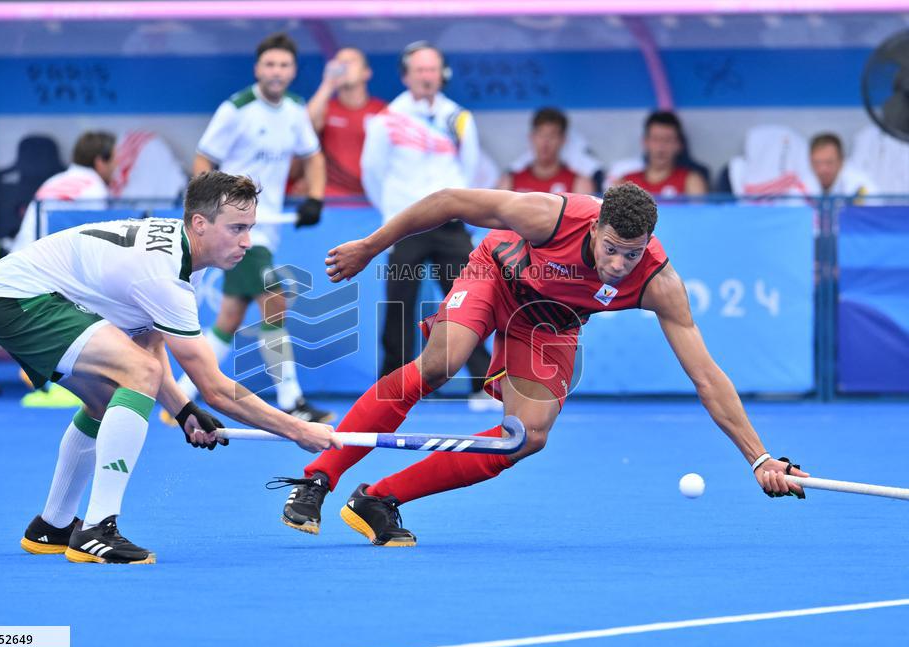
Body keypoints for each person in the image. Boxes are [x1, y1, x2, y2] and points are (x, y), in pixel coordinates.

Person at [269, 183, 810, 546]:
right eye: (614, 248)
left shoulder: (657, 282)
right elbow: (449, 200)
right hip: (495, 275)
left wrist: (758, 457)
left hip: (550, 321)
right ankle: (319, 477)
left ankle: (381, 500)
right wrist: (370, 245)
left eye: (634, 252)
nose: (621, 265)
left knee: (525, 436)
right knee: (443, 363)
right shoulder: (550, 217)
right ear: (597, 228)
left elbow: (706, 376)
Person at [0, 172, 341, 564]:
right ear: (200, 224)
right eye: (236, 228)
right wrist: (297, 430)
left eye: (250, 228)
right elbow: (215, 389)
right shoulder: (163, 273)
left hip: (18, 294)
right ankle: (97, 530)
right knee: (139, 376)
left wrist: (184, 410)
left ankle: (52, 526)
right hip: (21, 299)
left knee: (104, 400)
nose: (247, 242)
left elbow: (147, 342)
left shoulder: (187, 254)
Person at [172, 32, 335, 424]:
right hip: (238, 230)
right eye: (270, 64)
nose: (277, 72)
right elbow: (203, 160)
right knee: (274, 299)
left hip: (267, 226)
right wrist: (209, 216)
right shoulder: (236, 109)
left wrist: (315, 196)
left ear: (293, 71)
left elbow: (312, 157)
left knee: (229, 317)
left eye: (284, 65)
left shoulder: (296, 110)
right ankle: (292, 400)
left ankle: (178, 396)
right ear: (258, 69)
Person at [360, 40, 494, 411]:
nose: (426, 77)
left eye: (432, 69)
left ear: (442, 74)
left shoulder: (460, 116)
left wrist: (452, 208)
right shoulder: (387, 119)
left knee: (470, 303)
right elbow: (371, 172)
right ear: (406, 75)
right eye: (420, 70)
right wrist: (396, 216)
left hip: (451, 225)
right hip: (406, 226)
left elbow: (468, 170)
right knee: (400, 305)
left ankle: (483, 384)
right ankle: (392, 387)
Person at [10, 131, 117, 408]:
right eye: (113, 160)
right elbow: (94, 243)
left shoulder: (54, 180)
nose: (116, 167)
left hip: (17, 267)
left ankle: (46, 371)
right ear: (100, 161)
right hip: (49, 269)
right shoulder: (95, 190)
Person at [306, 47, 387, 197]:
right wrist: (328, 84)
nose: (344, 66)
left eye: (351, 62)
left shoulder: (382, 111)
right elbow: (304, 128)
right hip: (332, 198)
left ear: (366, 73)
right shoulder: (326, 108)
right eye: (340, 62)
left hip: (372, 198)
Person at [497, 108, 595, 194]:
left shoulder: (580, 183)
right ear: (531, 137)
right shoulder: (509, 181)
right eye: (541, 135)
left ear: (563, 140)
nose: (545, 143)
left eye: (552, 136)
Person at [618, 111, 708, 196]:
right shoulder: (626, 183)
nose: (661, 147)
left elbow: (700, 211)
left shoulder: (691, 181)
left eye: (668, 140)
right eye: (656, 139)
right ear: (645, 142)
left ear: (679, 144)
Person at [807, 133, 876, 197]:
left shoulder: (859, 185)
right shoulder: (805, 181)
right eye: (817, 163)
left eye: (829, 162)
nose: (823, 169)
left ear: (841, 160)